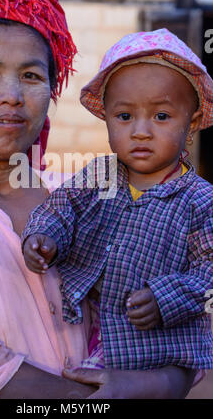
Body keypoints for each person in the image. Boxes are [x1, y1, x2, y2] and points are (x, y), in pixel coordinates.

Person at [0, 0, 197, 398]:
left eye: (31, 75)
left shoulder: (96, 192)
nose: (11, 96)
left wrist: (155, 379)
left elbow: (180, 322)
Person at [22, 29, 213, 379]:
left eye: (161, 117)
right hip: (93, 331)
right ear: (107, 118)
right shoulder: (99, 175)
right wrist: (44, 236)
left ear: (193, 123)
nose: (140, 131)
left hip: (161, 346)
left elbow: (210, 272)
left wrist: (166, 298)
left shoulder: (199, 200)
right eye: (124, 117)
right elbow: (62, 207)